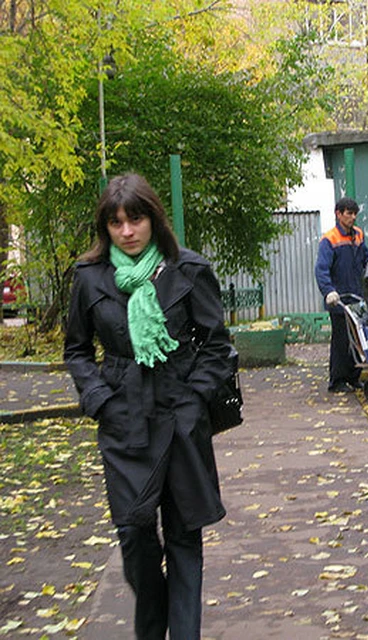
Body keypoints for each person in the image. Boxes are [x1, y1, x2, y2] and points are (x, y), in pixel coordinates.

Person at [64, 173, 232, 640]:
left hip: (180, 415)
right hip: (124, 420)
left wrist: (195, 399)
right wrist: (98, 399)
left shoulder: (189, 270)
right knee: (135, 536)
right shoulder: (90, 276)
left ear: (153, 219)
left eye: (135, 219)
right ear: (106, 227)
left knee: (183, 538)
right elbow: (76, 350)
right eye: (116, 222)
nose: (127, 231)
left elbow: (217, 346)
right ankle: (152, 622)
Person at [314, 196, 368, 393]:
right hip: (338, 300)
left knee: (357, 340)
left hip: (356, 297)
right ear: (338, 214)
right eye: (348, 213)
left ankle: (354, 377)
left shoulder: (358, 236)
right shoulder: (329, 239)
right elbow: (321, 269)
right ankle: (337, 381)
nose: (352, 217)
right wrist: (329, 291)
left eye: (354, 213)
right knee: (341, 341)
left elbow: (367, 258)